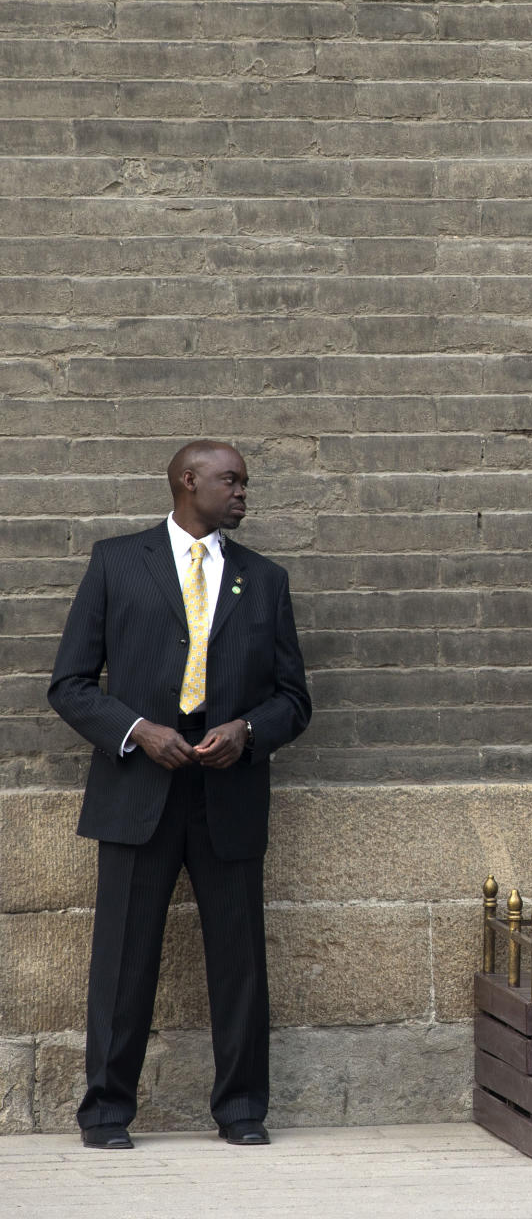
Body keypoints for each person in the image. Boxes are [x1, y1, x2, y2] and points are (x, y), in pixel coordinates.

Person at [49, 440, 311, 1149]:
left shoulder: (264, 579)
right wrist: (136, 729)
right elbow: (69, 684)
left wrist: (248, 730)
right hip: (139, 788)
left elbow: (295, 699)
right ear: (187, 481)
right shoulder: (116, 564)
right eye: (232, 480)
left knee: (239, 961)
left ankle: (242, 1112)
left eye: (245, 482)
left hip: (228, 790)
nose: (243, 493)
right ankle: (105, 1113)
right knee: (122, 960)